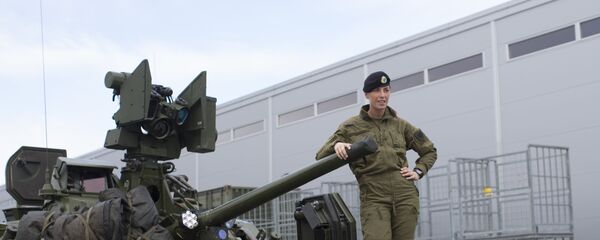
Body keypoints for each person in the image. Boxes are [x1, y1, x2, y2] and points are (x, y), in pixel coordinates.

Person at [315, 71, 437, 240]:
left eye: (386, 90)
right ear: (367, 94)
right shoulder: (351, 126)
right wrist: (337, 144)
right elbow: (320, 155)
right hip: (374, 197)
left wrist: (418, 171)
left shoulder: (401, 125)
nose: (382, 95)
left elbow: (429, 151)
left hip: (405, 195)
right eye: (377, 91)